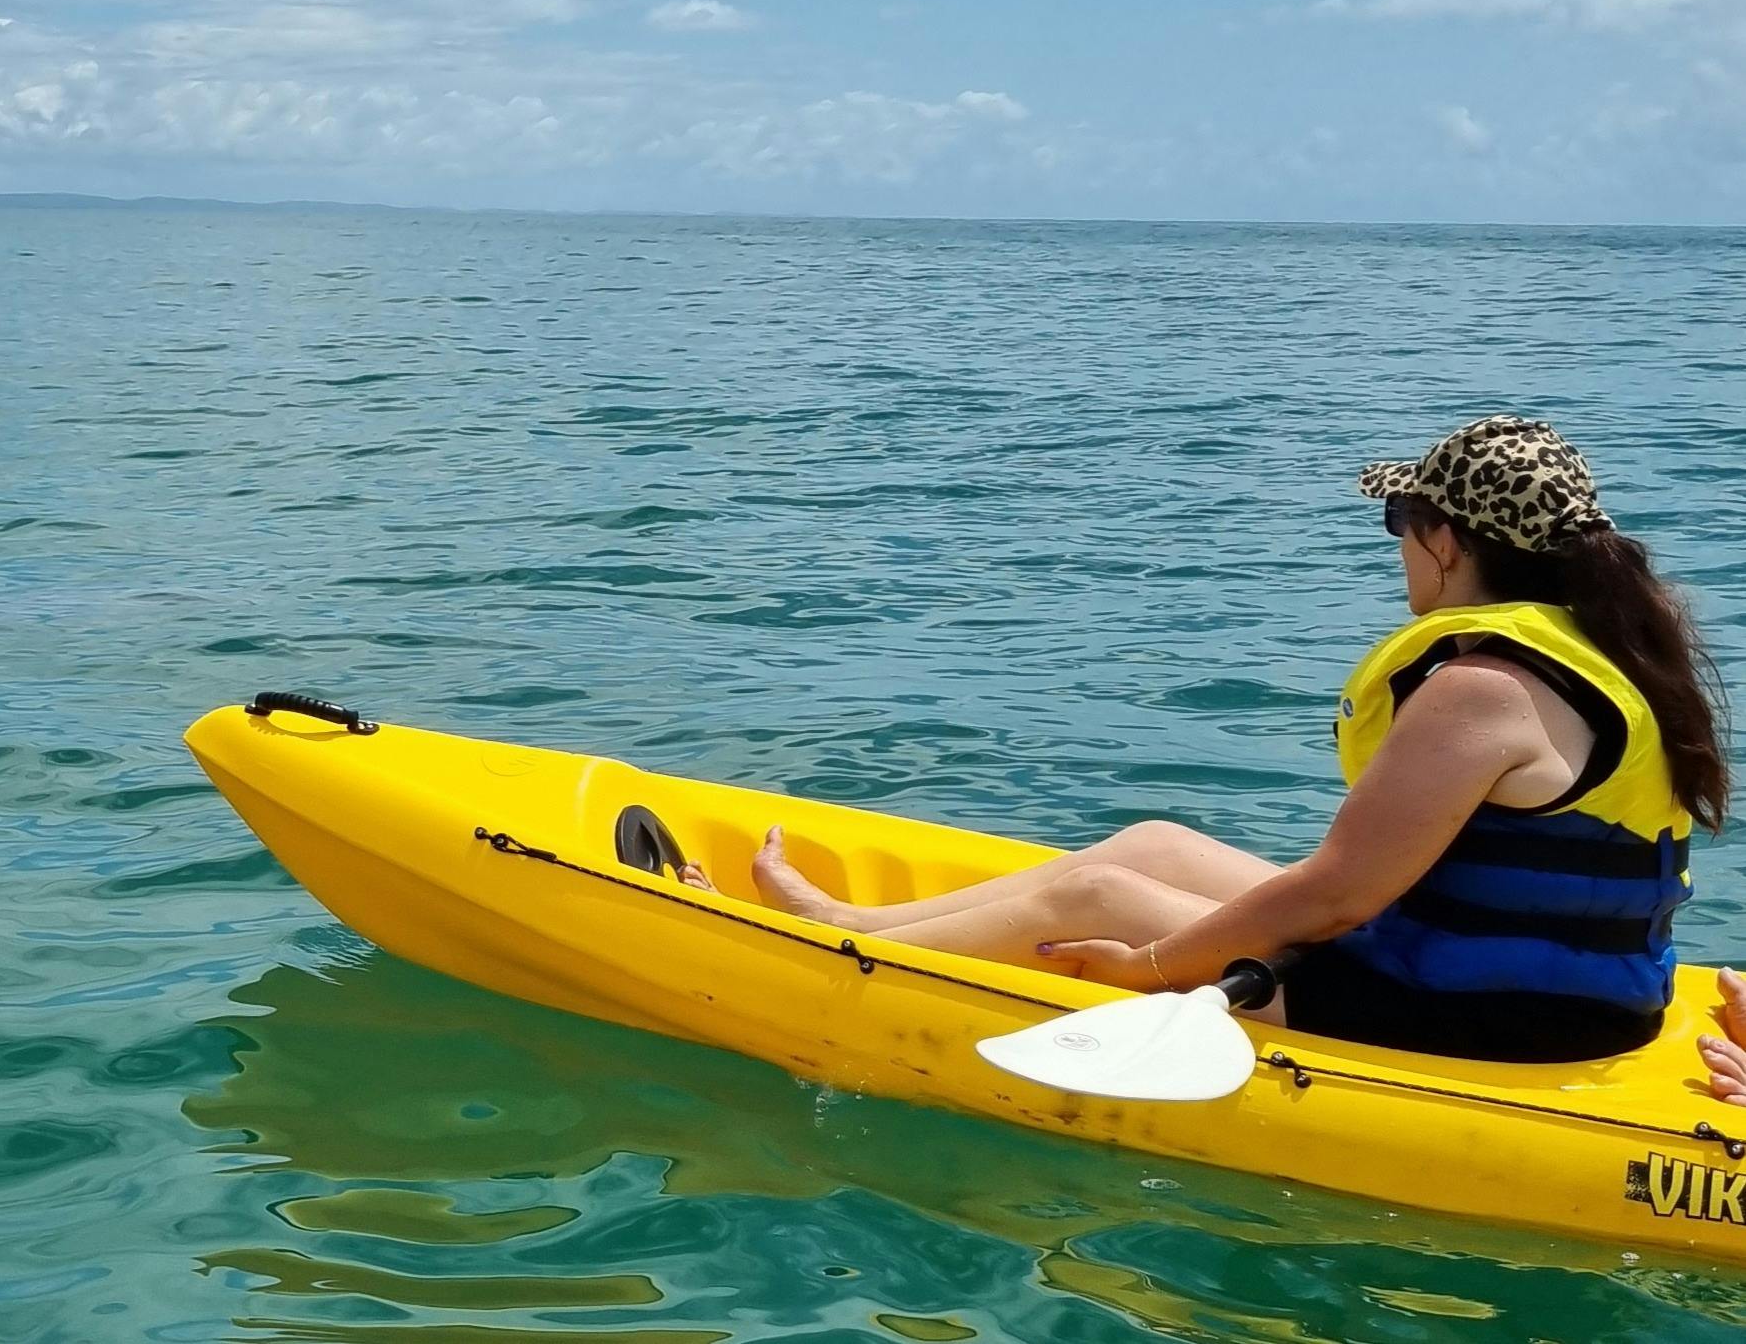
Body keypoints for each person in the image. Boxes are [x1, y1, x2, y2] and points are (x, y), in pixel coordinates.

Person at [683, 415, 1730, 1065]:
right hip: (1568, 996)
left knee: (1094, 897)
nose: (1397, 551)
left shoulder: (1478, 690)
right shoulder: (1609, 658)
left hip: (1486, 1013)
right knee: (1153, 845)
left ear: (1445, 541)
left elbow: (1336, 899)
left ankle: (833, 950)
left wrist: (1152, 963)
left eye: (1397, 526)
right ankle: (854, 920)